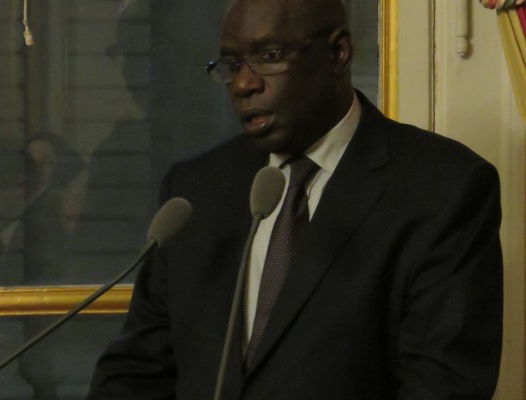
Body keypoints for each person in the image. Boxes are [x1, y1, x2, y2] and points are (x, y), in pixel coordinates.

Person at [86, 0, 503, 398]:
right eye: (231, 65)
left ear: (338, 53)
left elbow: (443, 386)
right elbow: (137, 373)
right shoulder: (195, 191)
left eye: (269, 56)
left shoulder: (442, 189)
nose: (244, 84)